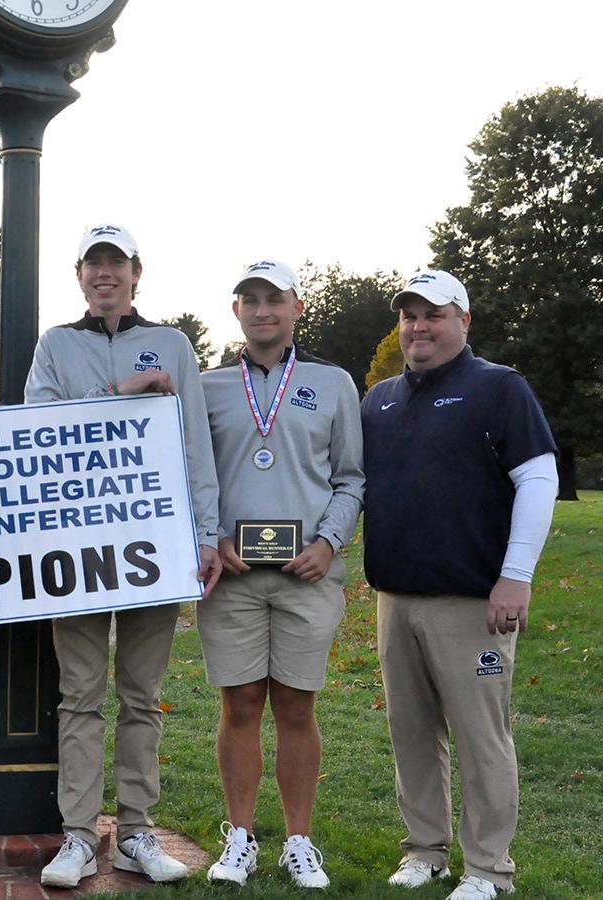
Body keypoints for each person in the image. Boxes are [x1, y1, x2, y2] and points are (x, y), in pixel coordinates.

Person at [25, 223, 222, 889]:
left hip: (154, 547)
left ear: (137, 272)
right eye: (93, 264)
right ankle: (79, 836)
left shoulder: (171, 345)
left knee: (142, 695)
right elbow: (39, 430)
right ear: (79, 275)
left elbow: (195, 443)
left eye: (116, 263)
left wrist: (204, 535)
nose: (104, 274)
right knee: (79, 697)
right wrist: (121, 396)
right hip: (77, 549)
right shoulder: (56, 345)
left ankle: (136, 830)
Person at [362, 270, 557, 900]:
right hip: (397, 597)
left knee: (481, 739)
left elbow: (538, 479)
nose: (419, 327)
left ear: (464, 321)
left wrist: (516, 576)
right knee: (412, 733)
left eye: (434, 315)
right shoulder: (381, 399)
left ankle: (488, 870)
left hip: (473, 600)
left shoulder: (499, 388)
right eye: (410, 316)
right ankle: (425, 851)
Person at [196, 259, 364, 889]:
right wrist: (210, 535)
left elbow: (351, 476)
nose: (262, 310)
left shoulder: (334, 382)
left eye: (274, 299)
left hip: (308, 573)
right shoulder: (207, 387)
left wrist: (329, 541)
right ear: (235, 310)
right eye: (250, 299)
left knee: (296, 705)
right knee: (239, 703)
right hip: (232, 574)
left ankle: (299, 840)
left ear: (296, 306)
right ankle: (238, 837)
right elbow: (191, 475)